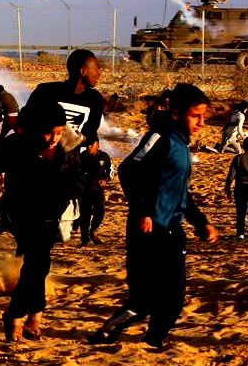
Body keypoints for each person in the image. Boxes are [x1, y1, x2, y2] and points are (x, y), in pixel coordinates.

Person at [87, 83, 219, 350]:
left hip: (172, 228)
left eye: (204, 115)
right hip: (147, 229)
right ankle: (121, 334)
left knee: (170, 297)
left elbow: (180, 192)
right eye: (196, 115)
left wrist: (200, 221)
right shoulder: (159, 137)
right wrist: (142, 210)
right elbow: (128, 170)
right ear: (176, 113)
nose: (202, 122)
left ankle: (146, 339)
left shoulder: (182, 144)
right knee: (148, 297)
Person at [0, 101, 84, 342]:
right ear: (32, 128)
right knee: (37, 265)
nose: (54, 138)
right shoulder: (16, 146)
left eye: (58, 131)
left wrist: (65, 158)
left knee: (37, 266)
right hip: (21, 215)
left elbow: (75, 183)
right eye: (48, 132)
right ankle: (15, 315)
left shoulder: (68, 147)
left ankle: (35, 314)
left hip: (50, 216)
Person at [25, 49, 104, 150]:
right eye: (97, 69)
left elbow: (91, 133)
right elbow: (25, 120)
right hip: (40, 156)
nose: (99, 73)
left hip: (69, 161)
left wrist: (89, 140)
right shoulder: (45, 91)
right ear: (83, 71)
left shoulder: (94, 99)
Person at [78, 139, 113, 245]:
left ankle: (93, 231)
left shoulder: (104, 157)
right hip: (84, 191)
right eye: (87, 145)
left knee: (100, 212)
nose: (89, 147)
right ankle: (84, 239)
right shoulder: (82, 156)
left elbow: (111, 170)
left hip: (98, 191)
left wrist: (106, 180)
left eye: (91, 145)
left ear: (98, 146)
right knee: (85, 215)